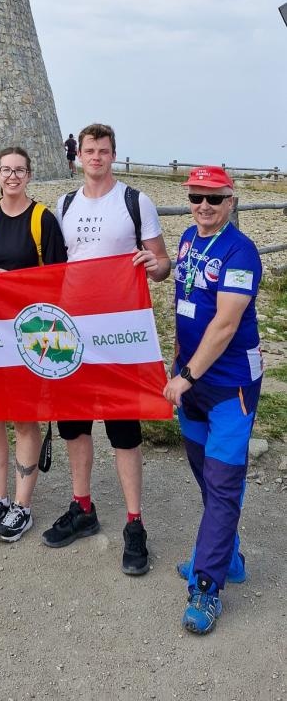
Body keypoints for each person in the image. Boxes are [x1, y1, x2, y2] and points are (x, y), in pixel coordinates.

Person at [42, 122, 171, 575]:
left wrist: (154, 265)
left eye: (104, 150)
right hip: (73, 334)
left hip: (119, 334)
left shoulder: (136, 201)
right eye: (90, 150)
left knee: (123, 427)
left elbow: (162, 264)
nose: (96, 157)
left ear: (114, 154)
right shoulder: (65, 204)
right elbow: (55, 267)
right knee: (74, 425)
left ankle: (135, 523)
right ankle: (83, 507)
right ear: (79, 156)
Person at [164, 166, 263, 636]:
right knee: (205, 474)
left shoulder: (240, 252)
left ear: (231, 200)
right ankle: (229, 557)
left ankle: (207, 585)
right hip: (192, 382)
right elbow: (185, 304)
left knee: (223, 482)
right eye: (196, 197)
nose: (203, 206)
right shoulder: (187, 237)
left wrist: (186, 375)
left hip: (230, 386)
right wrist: (178, 363)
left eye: (214, 199)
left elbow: (224, 324)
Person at [0, 146, 67, 542]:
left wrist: (17, 284)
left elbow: (58, 277)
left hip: (29, 333)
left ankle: (22, 504)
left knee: (25, 416)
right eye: (6, 170)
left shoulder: (43, 220)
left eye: (19, 170)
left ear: (29, 175)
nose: (12, 177)